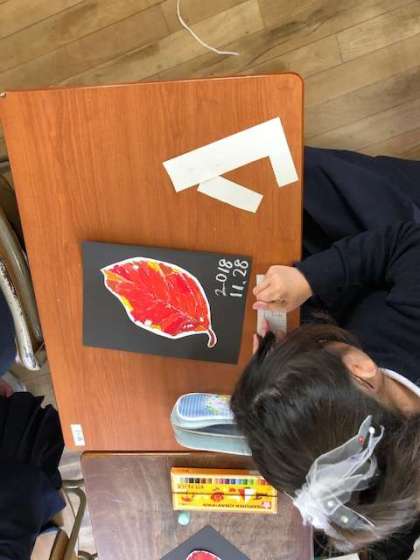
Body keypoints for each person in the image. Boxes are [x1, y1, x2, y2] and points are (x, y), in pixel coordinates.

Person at [231, 148, 420, 559]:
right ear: (360, 367)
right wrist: (309, 278)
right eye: (314, 343)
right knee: (292, 185)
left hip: (369, 300)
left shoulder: (379, 488)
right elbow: (407, 242)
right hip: (405, 247)